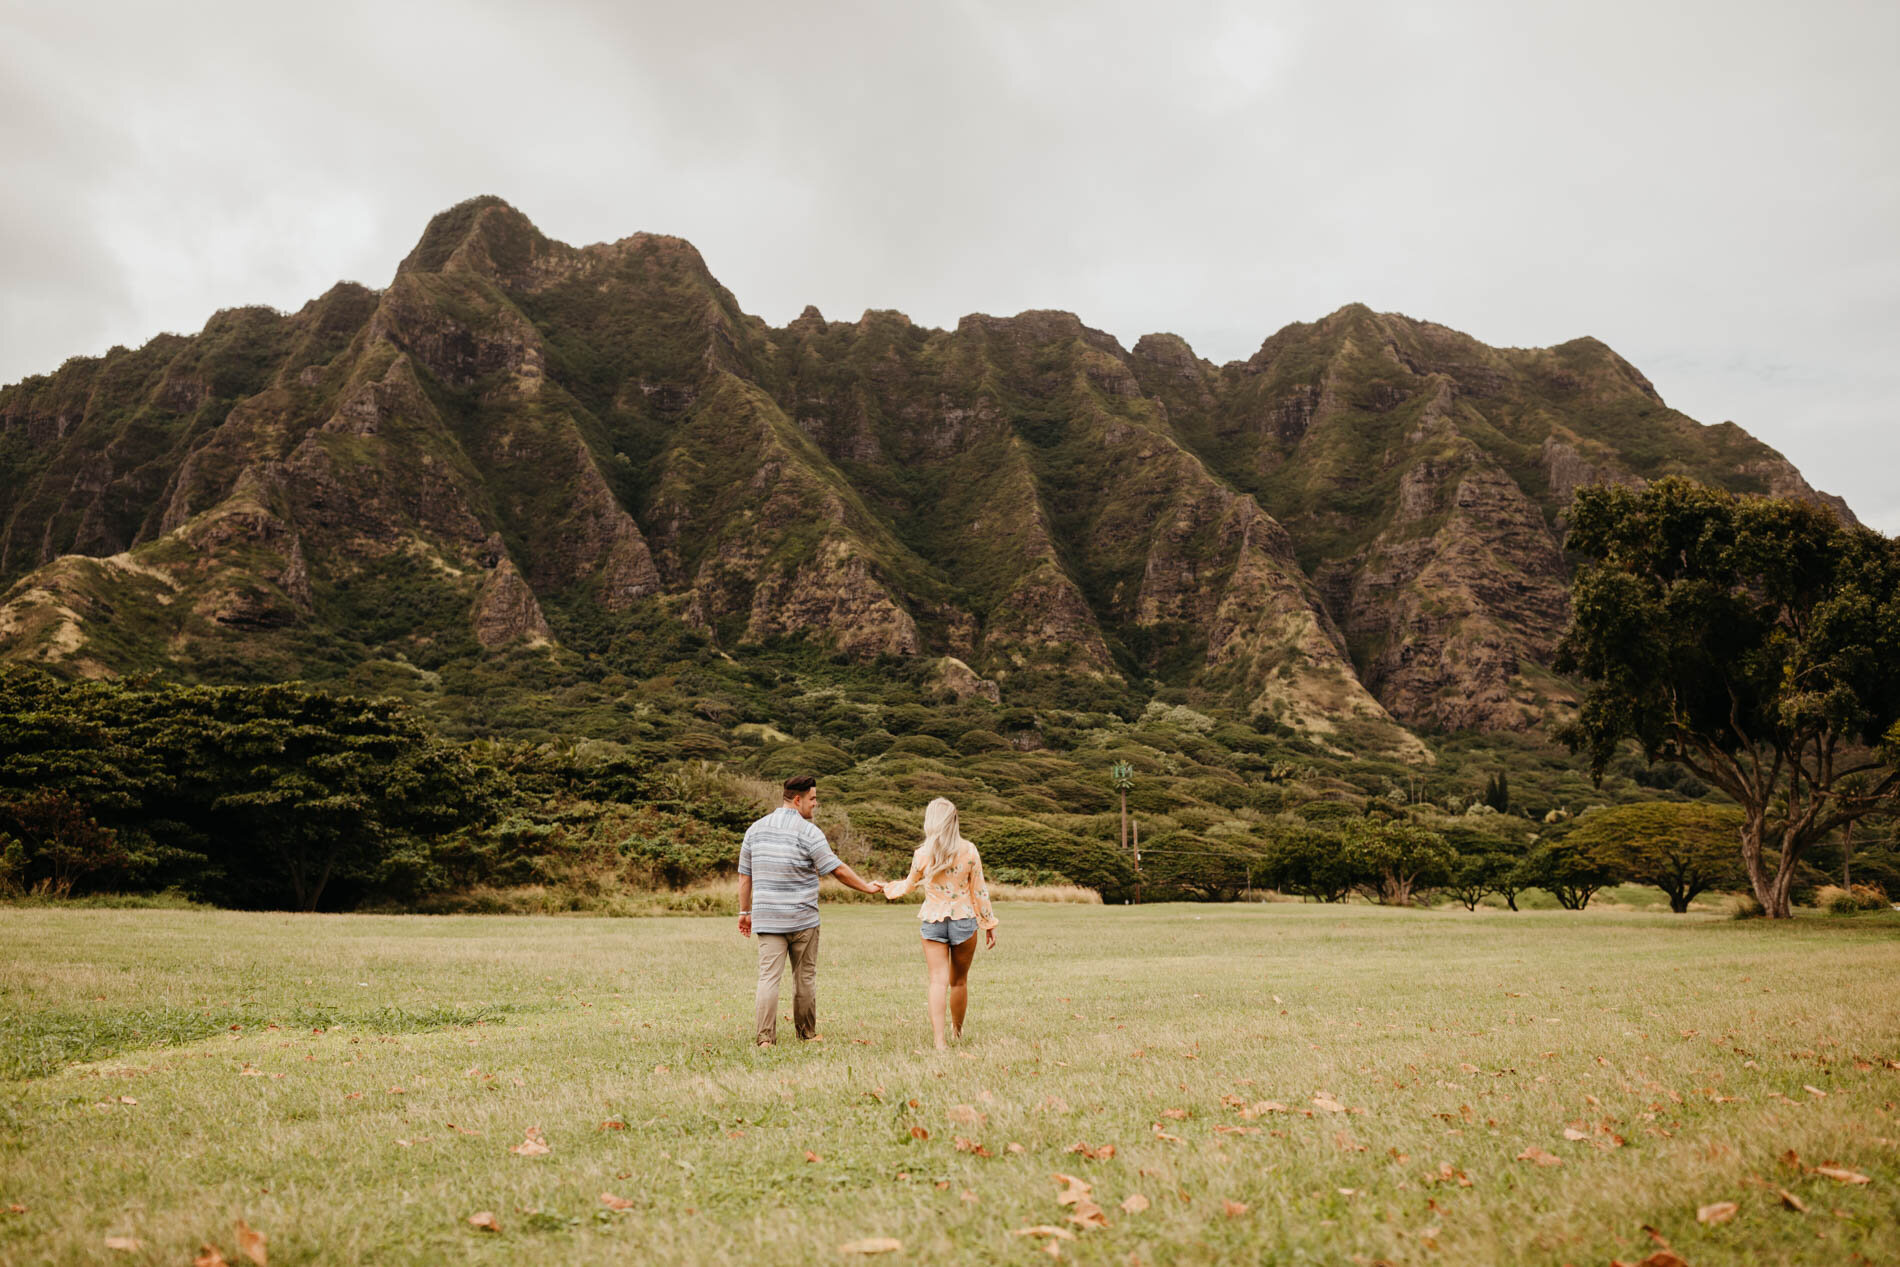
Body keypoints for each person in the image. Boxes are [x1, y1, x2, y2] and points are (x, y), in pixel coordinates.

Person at [737, 774, 882, 1048]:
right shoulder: (808, 832)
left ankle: (765, 1039)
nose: (816, 804)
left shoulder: (754, 830)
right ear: (797, 799)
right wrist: (867, 887)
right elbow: (836, 869)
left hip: (768, 919)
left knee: (768, 979)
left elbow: (745, 877)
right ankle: (805, 1034)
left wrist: (744, 912)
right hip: (803, 919)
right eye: (813, 799)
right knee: (804, 978)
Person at [882, 797, 998, 1050]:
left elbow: (907, 885)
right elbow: (979, 891)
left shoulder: (922, 854)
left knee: (937, 981)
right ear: (954, 821)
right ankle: (957, 1032)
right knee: (959, 981)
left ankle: (939, 1042)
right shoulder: (969, 850)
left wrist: (886, 888)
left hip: (933, 921)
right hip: (964, 921)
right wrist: (988, 924)